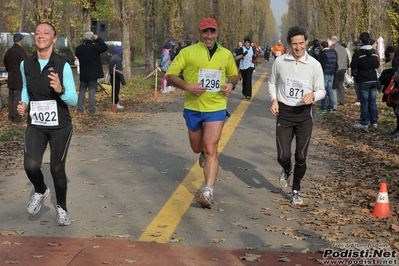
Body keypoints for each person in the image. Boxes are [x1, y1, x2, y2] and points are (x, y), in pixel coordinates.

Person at [166, 17, 238, 209]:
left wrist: (231, 84)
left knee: (210, 148)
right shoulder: (188, 52)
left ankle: (208, 191)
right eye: (205, 32)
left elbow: (234, 73)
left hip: (216, 107)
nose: (208, 36)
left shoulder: (225, 54)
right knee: (197, 148)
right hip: (193, 108)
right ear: (199, 33)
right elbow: (170, 74)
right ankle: (203, 155)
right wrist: (187, 86)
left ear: (216, 33)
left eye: (212, 32)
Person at [16, 22, 78, 226]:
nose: (40, 35)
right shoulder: (26, 64)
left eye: (46, 33)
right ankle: (41, 190)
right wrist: (24, 103)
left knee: (56, 169)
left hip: (60, 125)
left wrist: (60, 89)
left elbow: (74, 100)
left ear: (54, 39)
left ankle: (62, 208)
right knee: (30, 166)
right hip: (36, 124)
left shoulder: (62, 65)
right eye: (37, 33)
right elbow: (26, 87)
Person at [268, 26, 325, 205]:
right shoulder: (280, 62)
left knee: (301, 156)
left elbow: (322, 90)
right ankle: (286, 168)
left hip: (303, 115)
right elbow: (272, 83)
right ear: (288, 44)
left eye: (301, 43)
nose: (298, 47)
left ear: (306, 42)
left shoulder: (314, 65)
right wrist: (274, 100)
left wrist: (313, 95)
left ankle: (296, 190)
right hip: (284, 113)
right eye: (295, 44)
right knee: (283, 156)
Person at [350, 32, 380, 131]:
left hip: (363, 80)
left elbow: (353, 65)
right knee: (373, 102)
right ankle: (374, 122)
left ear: (361, 41)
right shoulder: (373, 52)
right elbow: (377, 64)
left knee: (364, 102)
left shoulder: (358, 53)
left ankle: (364, 123)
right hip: (373, 79)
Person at [75, 31, 108, 115]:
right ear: (91, 38)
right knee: (92, 92)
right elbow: (104, 47)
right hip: (93, 74)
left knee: (82, 92)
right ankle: (91, 110)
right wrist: (97, 39)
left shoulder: (78, 48)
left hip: (83, 73)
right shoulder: (94, 48)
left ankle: (80, 110)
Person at [3, 33, 28, 123]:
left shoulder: (9, 51)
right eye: (22, 39)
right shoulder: (21, 51)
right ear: (20, 40)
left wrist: (9, 70)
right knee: (18, 98)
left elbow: (5, 62)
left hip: (11, 78)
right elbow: (25, 64)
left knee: (11, 98)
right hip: (19, 78)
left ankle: (11, 116)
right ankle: (17, 118)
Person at [317, 41, 337, 114]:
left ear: (322, 46)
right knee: (330, 91)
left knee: (323, 91)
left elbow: (322, 65)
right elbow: (336, 64)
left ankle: (323, 107)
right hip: (331, 73)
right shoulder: (332, 53)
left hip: (325, 74)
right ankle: (331, 107)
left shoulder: (323, 54)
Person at [330, 35, 348, 109]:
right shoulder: (344, 48)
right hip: (343, 68)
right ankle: (342, 101)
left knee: (334, 86)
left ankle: (334, 102)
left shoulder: (333, 48)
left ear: (333, 41)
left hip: (336, 69)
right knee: (341, 85)